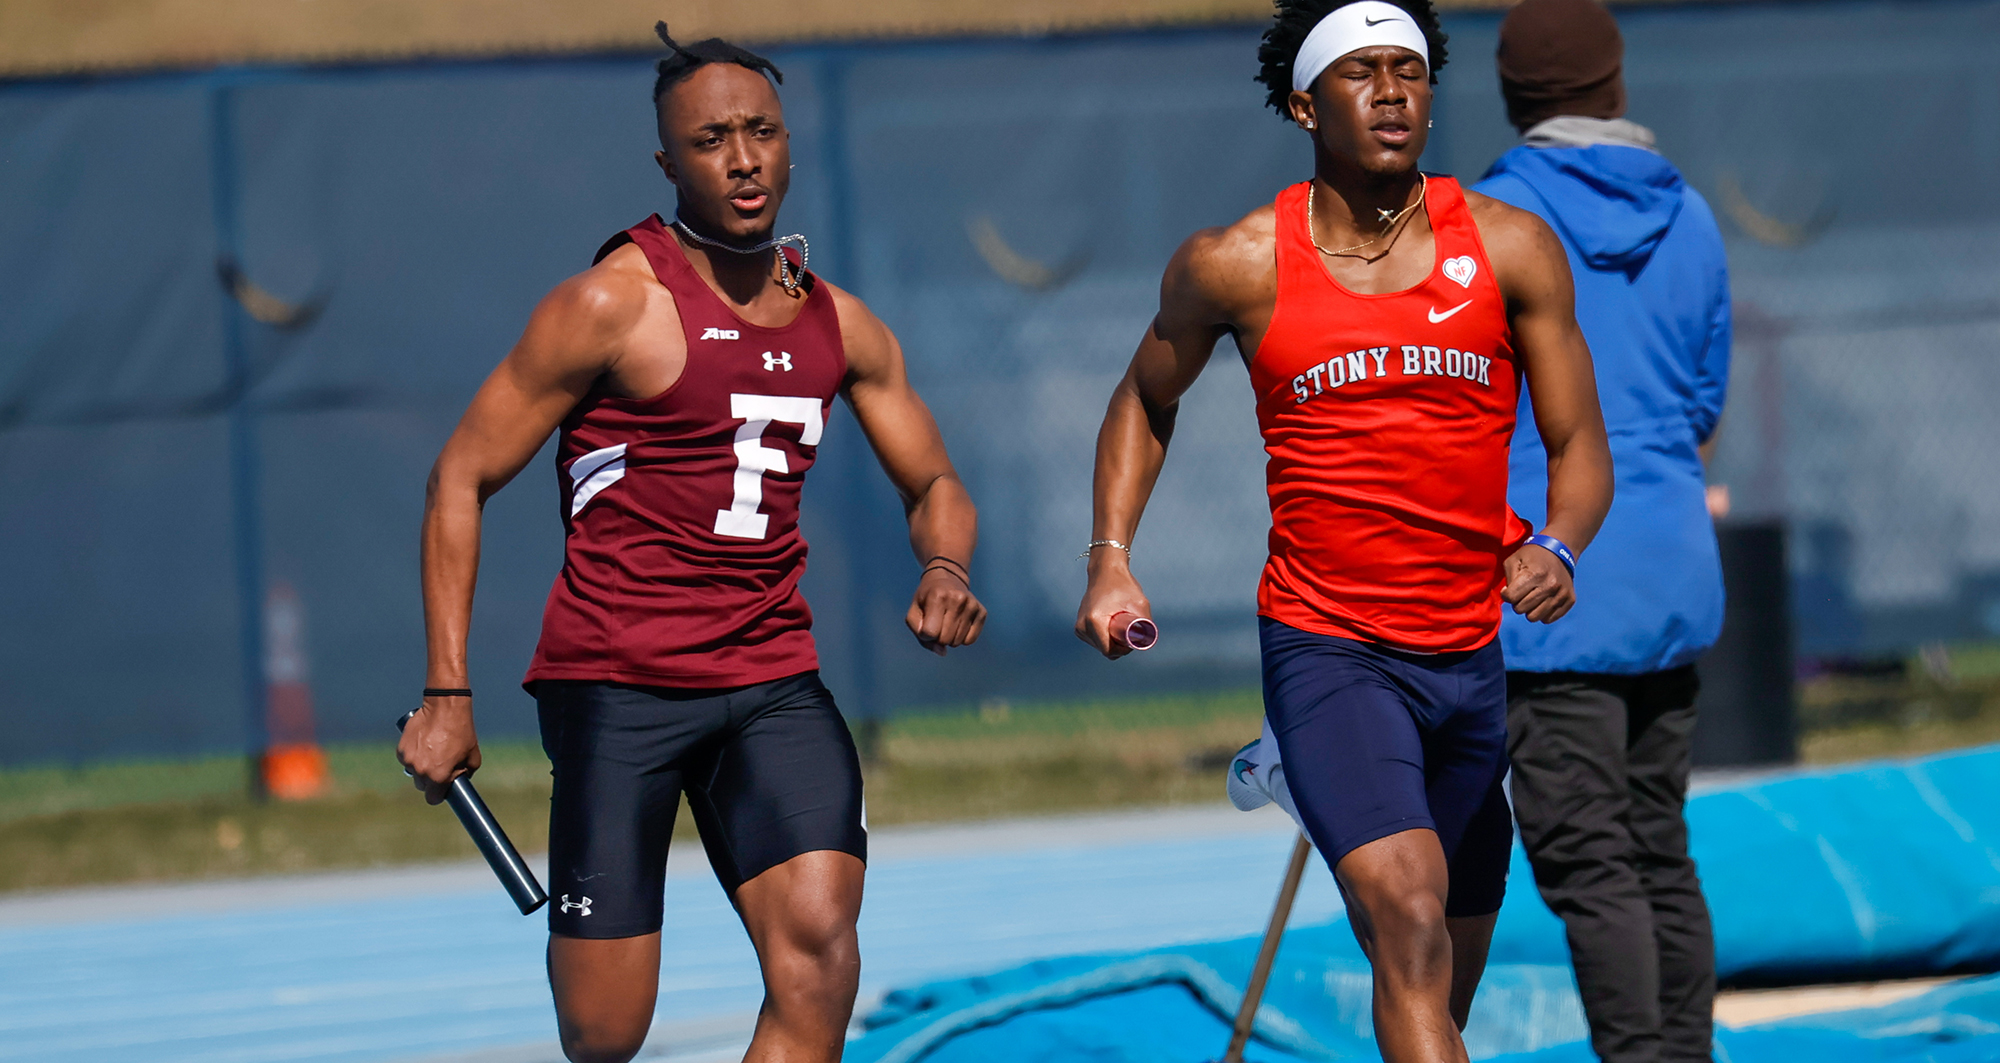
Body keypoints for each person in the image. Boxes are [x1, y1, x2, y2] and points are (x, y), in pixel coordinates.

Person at [397, 26, 987, 1063]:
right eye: (711, 139)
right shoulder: (612, 303)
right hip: (618, 686)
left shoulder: (840, 323)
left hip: (769, 679)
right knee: (604, 1032)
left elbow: (933, 478)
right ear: (669, 163)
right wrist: (448, 692)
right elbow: (460, 475)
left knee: (821, 955)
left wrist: (942, 563)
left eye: (760, 131)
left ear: (789, 146)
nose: (743, 157)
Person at [1075, 0, 1614, 1058]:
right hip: (1328, 647)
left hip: (1465, 657)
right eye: (1360, 73)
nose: (1390, 93)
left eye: (1407, 72)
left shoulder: (1507, 248)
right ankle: (1306, 757)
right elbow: (1144, 399)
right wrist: (1109, 562)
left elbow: (1580, 442)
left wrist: (1556, 543)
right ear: (1301, 103)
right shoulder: (1234, 263)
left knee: (1436, 978)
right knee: (1407, 916)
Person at [1475, 1, 1731, 1059]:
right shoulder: (1691, 215)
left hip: (1552, 583)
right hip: (1667, 565)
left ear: (1507, 96)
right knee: (1658, 849)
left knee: (1588, 864)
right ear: (1616, 87)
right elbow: (1701, 403)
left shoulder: (1484, 223)